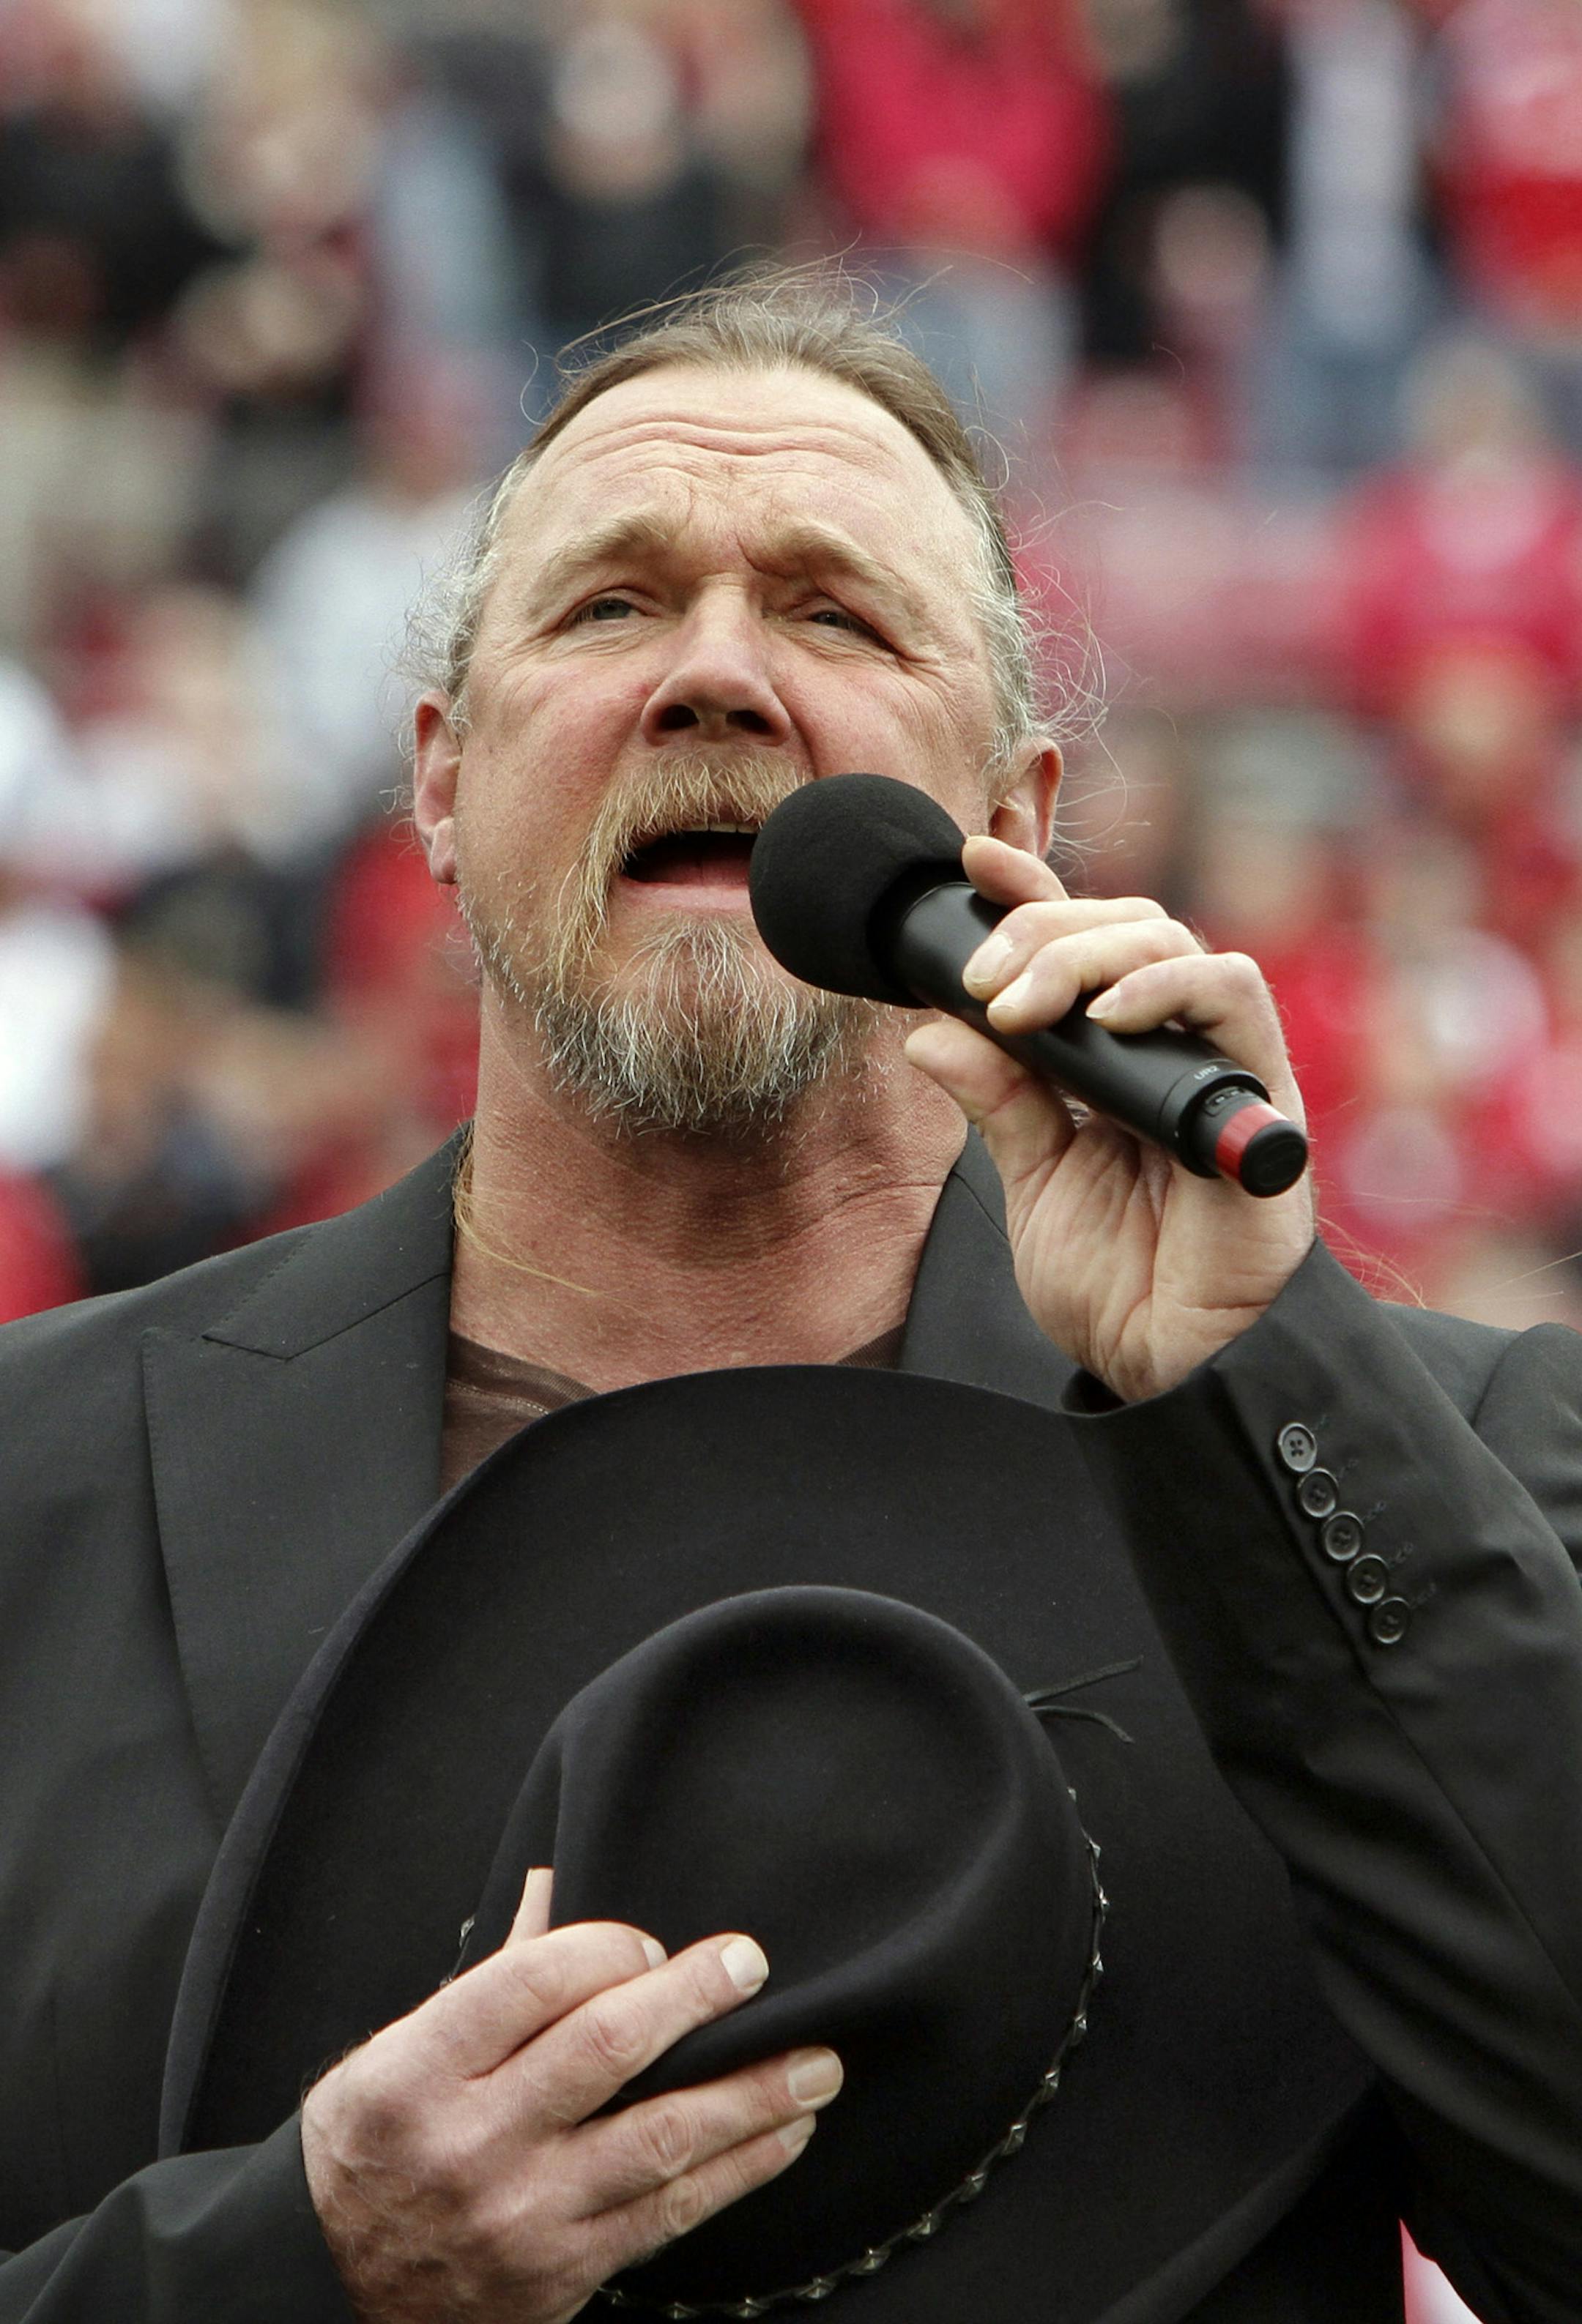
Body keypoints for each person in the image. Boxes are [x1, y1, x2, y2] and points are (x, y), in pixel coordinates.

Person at [2, 272, 1581, 2323]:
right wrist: (297, 2274)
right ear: (441, 788)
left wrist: (1268, 1386)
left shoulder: (1430, 1469)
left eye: (835, 615)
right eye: (608, 608)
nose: (716, 679)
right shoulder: (34, 1486)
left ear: (1010, 819)